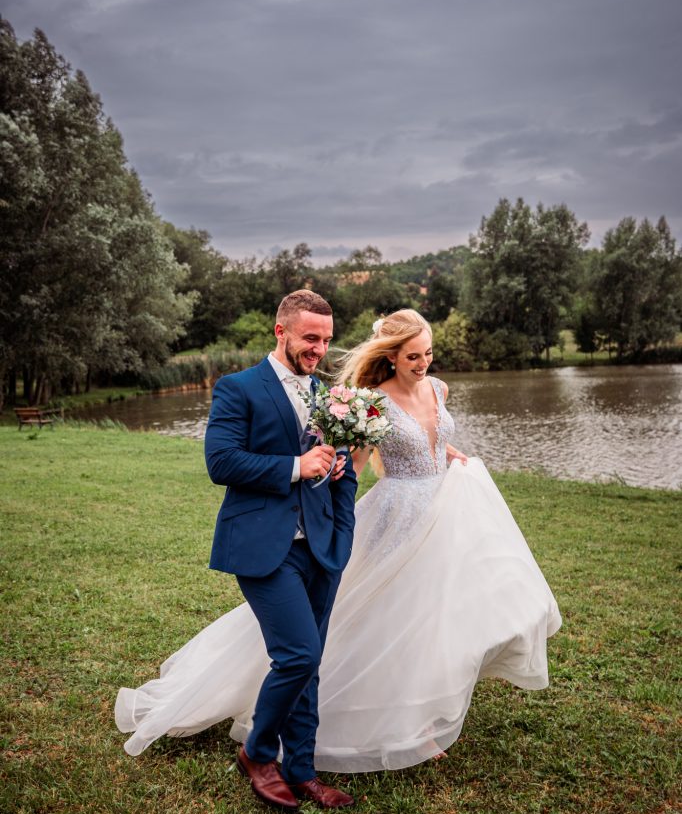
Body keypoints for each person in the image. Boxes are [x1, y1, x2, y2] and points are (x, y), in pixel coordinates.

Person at [116, 308, 561, 778]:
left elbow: (414, 443)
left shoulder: (430, 389)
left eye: (428, 353)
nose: (423, 362)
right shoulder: (366, 402)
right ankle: (296, 738)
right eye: (413, 355)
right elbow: (346, 463)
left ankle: (414, 714)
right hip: (395, 515)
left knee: (435, 614)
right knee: (374, 623)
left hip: (443, 513)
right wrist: (318, 483)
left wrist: (446, 454)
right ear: (392, 356)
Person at [116, 290, 357, 812]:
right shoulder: (238, 387)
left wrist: (340, 494)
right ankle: (257, 753)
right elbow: (221, 462)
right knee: (298, 654)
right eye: (310, 338)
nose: (319, 349)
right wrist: (296, 467)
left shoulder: (329, 394)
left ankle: (302, 770)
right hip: (263, 546)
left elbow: (341, 460)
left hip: (322, 546)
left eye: (326, 340)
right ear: (281, 331)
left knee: (310, 663)